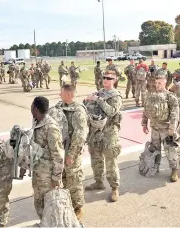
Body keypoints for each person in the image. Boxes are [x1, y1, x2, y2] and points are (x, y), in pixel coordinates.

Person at [84, 70, 123, 202]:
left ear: (115, 80)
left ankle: (114, 188)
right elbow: (87, 109)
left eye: (109, 78)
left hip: (109, 133)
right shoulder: (98, 92)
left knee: (110, 161)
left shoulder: (116, 96)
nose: (105, 80)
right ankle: (98, 182)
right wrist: (87, 100)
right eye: (104, 77)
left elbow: (111, 111)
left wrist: (98, 100)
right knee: (96, 160)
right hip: (95, 133)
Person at [56, 84, 88, 221]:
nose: (59, 95)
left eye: (61, 92)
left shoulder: (78, 111)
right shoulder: (59, 106)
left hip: (71, 152)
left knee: (74, 179)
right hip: (60, 150)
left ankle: (78, 207)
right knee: (63, 178)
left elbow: (79, 135)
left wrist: (71, 155)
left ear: (69, 94)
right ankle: (67, 202)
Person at [30, 96, 65, 221]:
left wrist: (56, 179)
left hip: (48, 177)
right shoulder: (37, 122)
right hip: (39, 174)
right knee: (39, 205)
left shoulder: (51, 128)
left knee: (49, 208)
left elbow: (59, 155)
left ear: (35, 109)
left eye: (32, 106)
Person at [142, 71, 180, 182]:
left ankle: (174, 170)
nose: (157, 85)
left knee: (170, 151)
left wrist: (172, 128)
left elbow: (175, 113)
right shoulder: (151, 96)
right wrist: (144, 123)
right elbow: (145, 110)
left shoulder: (170, 96)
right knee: (155, 150)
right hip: (154, 128)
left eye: (159, 83)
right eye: (156, 83)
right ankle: (155, 167)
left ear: (165, 83)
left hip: (166, 129)